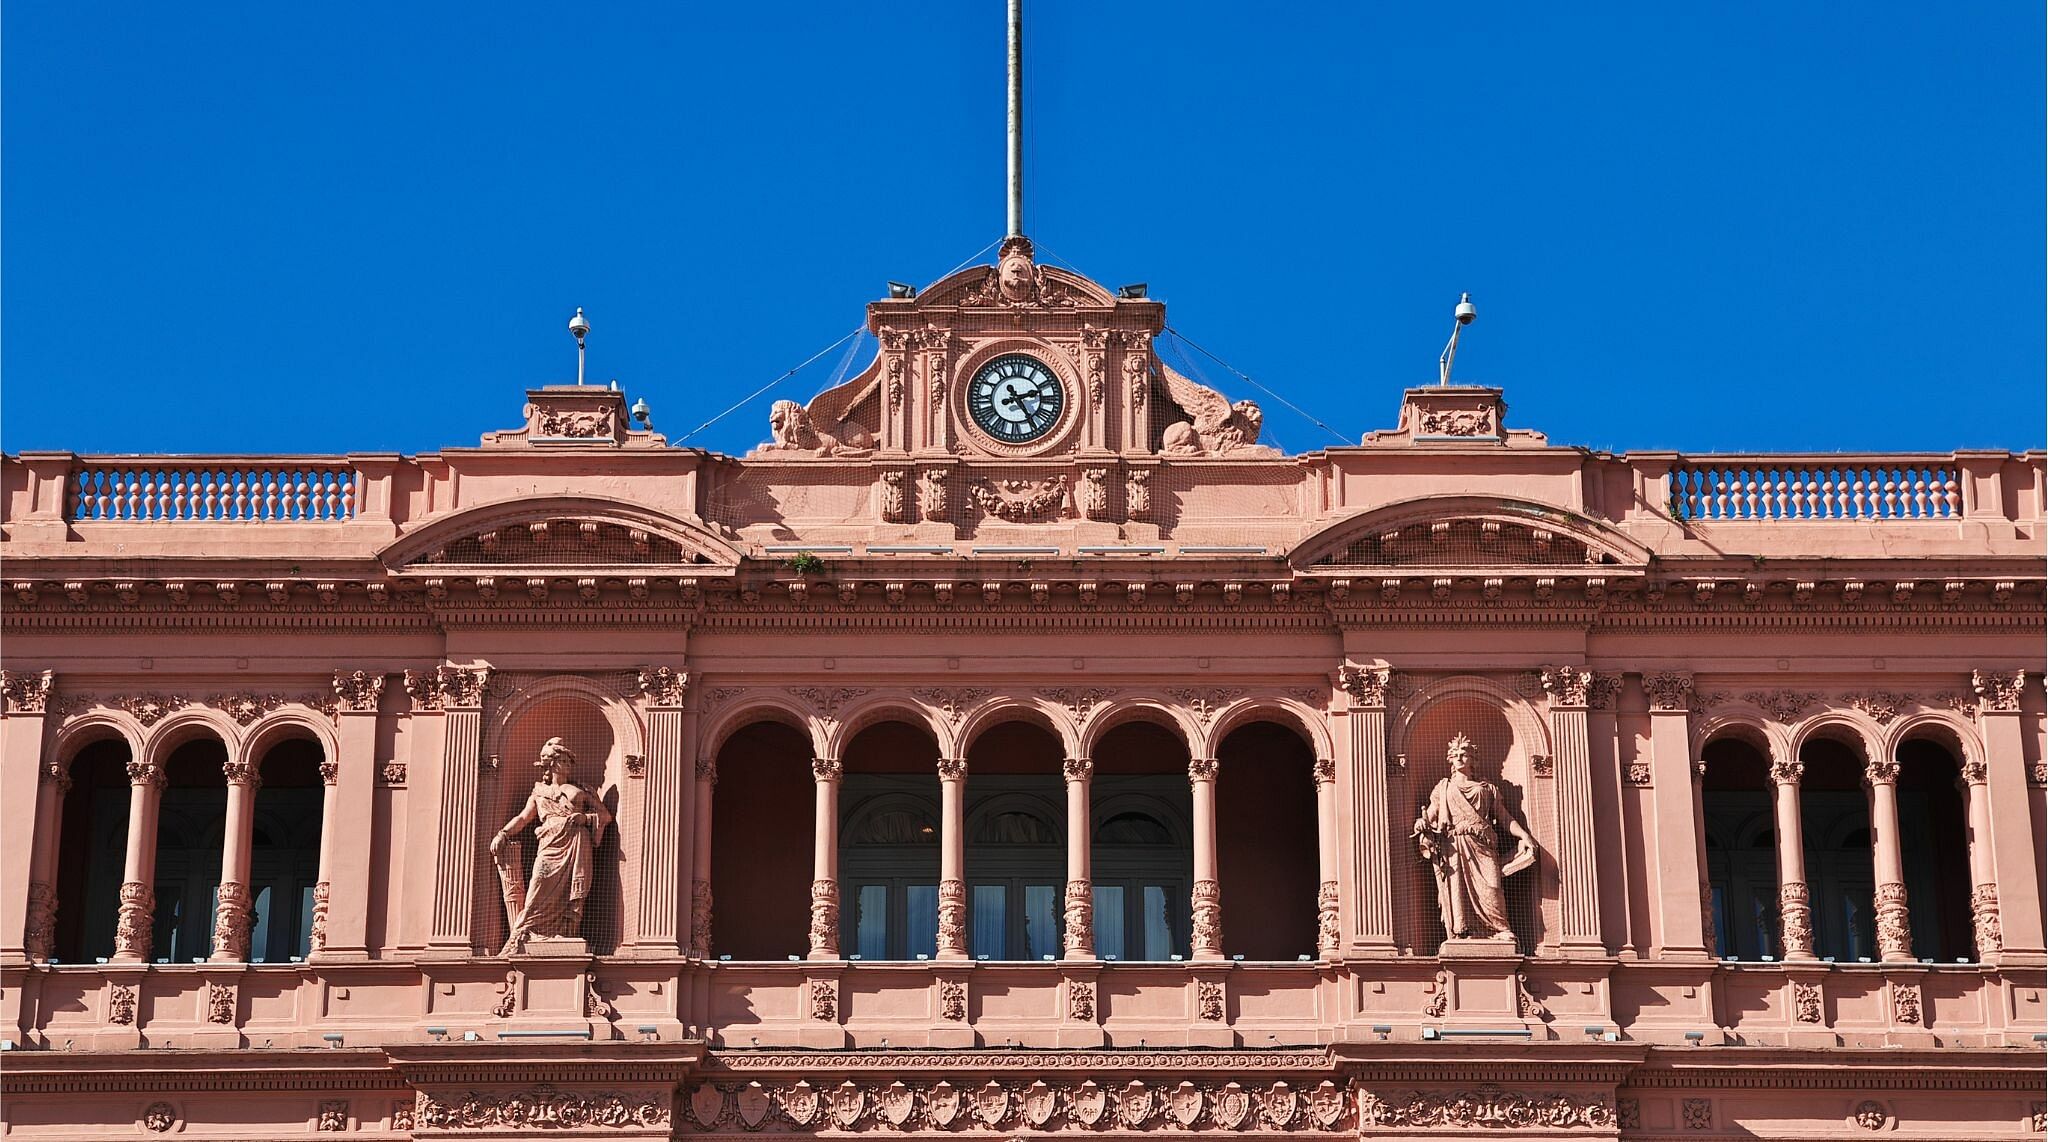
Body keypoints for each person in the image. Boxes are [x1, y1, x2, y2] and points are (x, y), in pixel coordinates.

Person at [492, 737, 612, 954]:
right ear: (554, 763)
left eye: (568, 761)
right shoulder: (539, 791)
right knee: (538, 882)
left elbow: (604, 815)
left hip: (577, 842)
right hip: (549, 844)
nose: (569, 765)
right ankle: (525, 933)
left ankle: (566, 934)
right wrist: (503, 833)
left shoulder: (582, 789)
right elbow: (522, 818)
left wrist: (584, 819)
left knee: (574, 892)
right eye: (565, 760)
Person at [1412, 732, 1536, 942]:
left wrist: (1524, 835)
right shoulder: (1444, 788)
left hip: (1483, 845)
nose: (1460, 757)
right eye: (1455, 754)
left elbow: (1504, 818)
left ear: (1473, 759)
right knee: (1458, 890)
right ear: (1450, 759)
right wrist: (1421, 823)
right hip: (1455, 846)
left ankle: (1499, 929)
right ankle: (1464, 931)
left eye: (1464, 754)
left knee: (1492, 888)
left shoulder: (1488, 789)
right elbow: (1430, 816)